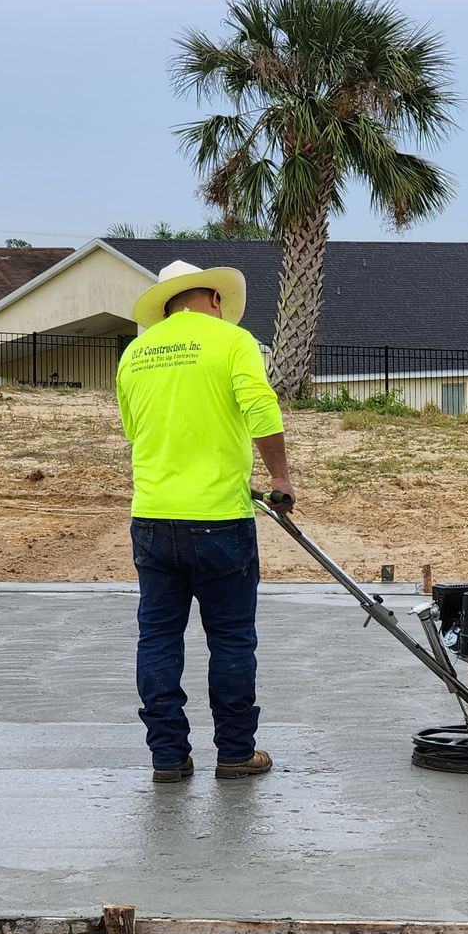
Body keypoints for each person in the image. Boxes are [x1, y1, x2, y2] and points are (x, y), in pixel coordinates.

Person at [116, 259, 294, 782]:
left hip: (152, 517)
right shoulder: (231, 340)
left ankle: (168, 756)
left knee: (158, 638)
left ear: (167, 305)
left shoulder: (134, 354)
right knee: (233, 639)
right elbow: (260, 408)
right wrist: (280, 477)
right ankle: (236, 752)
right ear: (214, 299)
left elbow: (134, 431)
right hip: (220, 519)